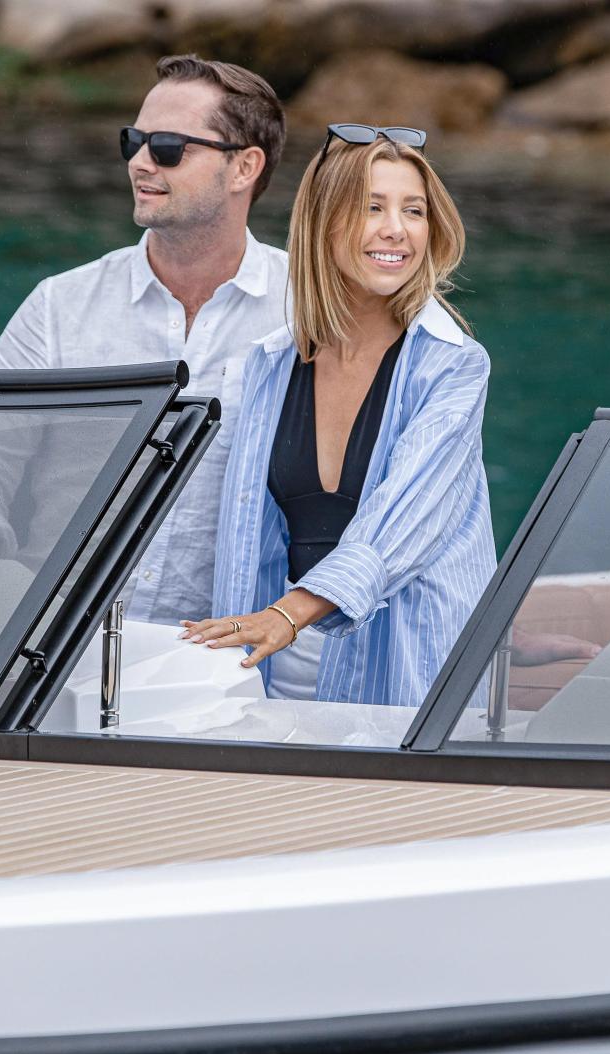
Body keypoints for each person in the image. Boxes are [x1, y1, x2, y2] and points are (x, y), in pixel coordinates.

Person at [0, 54, 289, 626]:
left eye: (168, 147)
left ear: (244, 167)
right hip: (55, 642)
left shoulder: (311, 313)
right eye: (133, 141)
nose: (140, 162)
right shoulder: (58, 306)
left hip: (230, 653)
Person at [179, 126, 497, 706]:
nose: (396, 229)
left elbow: (404, 520)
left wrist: (287, 614)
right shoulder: (271, 363)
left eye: (414, 211)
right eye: (372, 207)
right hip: (268, 664)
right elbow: (247, 530)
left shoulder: (453, 364)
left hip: (405, 672)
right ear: (323, 222)